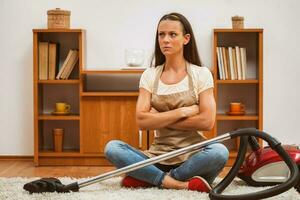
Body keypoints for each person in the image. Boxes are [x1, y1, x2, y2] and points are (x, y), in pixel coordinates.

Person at [104, 12, 229, 193]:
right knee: (113, 148)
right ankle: (177, 183)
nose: (165, 40)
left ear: (186, 39)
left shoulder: (201, 74)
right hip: (157, 157)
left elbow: (207, 122)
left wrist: (158, 117)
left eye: (172, 34)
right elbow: (142, 121)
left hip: (192, 157)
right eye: (161, 34)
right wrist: (184, 111)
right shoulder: (150, 75)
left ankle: (150, 178)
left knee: (219, 151)